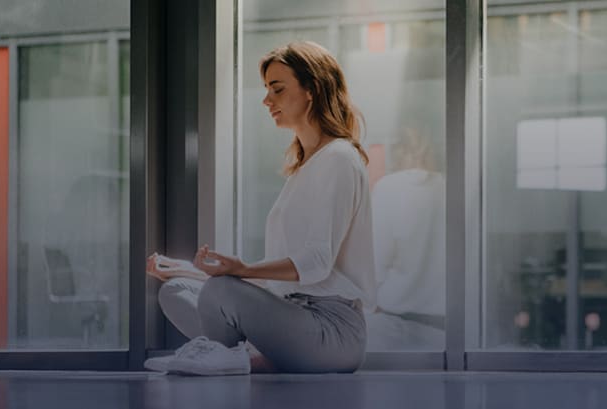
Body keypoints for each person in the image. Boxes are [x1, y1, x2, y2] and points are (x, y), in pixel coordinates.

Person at [143, 40, 375, 375]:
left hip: (332, 332)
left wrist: (241, 271)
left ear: (312, 89)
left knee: (221, 291)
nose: (267, 101)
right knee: (177, 290)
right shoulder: (306, 166)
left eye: (277, 90)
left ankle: (229, 355)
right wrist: (188, 270)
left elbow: (317, 263)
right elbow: (285, 285)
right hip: (293, 313)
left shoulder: (338, 158)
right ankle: (242, 355)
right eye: (267, 90)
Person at [367, 125, 446, 350]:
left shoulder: (389, 188)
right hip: (447, 329)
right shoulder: (454, 188)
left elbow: (376, 263)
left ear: (401, 149)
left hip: (396, 326)